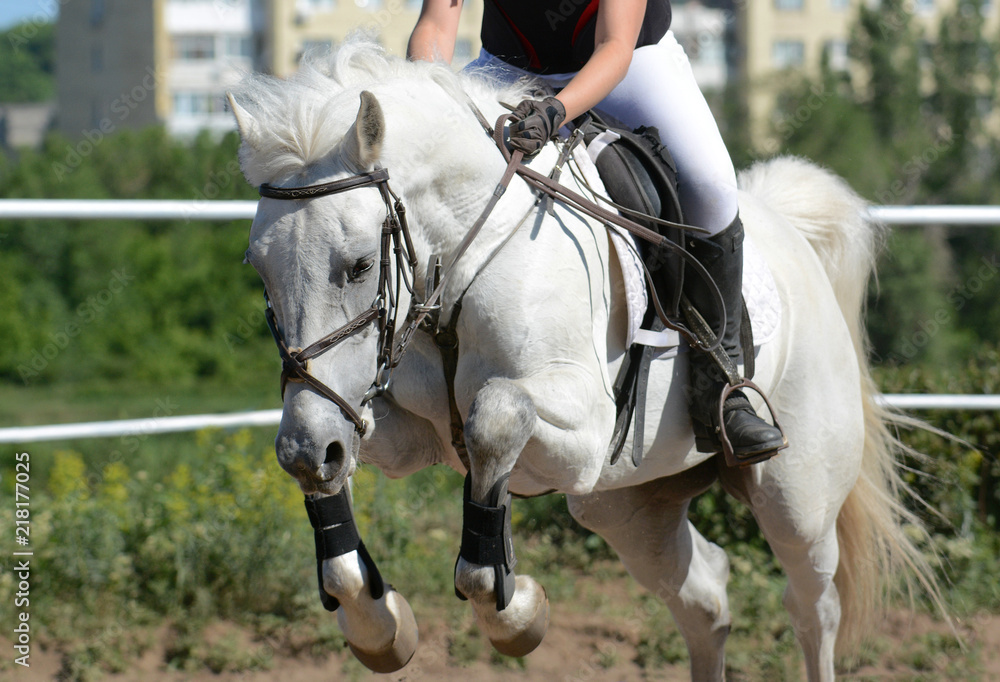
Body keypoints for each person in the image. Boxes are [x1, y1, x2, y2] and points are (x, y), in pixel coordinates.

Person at [407, 0, 786, 464]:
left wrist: (555, 112)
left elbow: (614, 47)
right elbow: (434, 26)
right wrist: (421, 98)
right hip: (507, 68)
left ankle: (721, 387)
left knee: (711, 187)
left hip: (625, 66)